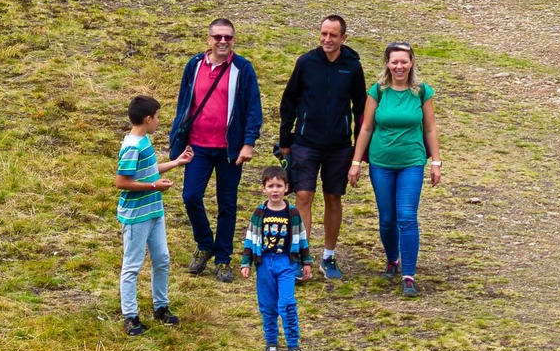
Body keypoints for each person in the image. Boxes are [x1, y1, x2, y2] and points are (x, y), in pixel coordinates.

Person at [169, 19, 262, 283]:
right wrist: (178, 137)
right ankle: (204, 243)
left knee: (227, 204)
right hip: (197, 146)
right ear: (208, 39)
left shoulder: (242, 69)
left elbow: (253, 108)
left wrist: (248, 142)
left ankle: (222, 259)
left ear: (234, 40)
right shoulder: (194, 65)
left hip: (229, 150)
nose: (223, 41)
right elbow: (183, 104)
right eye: (218, 36)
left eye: (228, 37)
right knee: (190, 197)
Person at [348, 42, 442, 297]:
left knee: (407, 217)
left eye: (404, 61)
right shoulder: (378, 91)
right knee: (388, 218)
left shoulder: (422, 92)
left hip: (412, 162)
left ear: (411, 63)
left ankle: (408, 274)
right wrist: (356, 163)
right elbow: (366, 128)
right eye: (394, 62)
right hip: (381, 163)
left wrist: (436, 161)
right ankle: (393, 259)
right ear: (387, 64)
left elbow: (430, 128)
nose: (399, 66)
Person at [278, 15, 366, 282]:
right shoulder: (306, 62)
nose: (327, 40)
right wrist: (285, 140)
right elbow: (289, 99)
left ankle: (328, 256)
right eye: (324, 34)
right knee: (303, 196)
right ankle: (301, 258)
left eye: (333, 35)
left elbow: (360, 107)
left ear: (343, 38)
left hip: (339, 146)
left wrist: (359, 152)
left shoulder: (352, 66)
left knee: (333, 198)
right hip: (305, 142)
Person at [115, 95, 185, 336]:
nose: (159, 122)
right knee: (132, 266)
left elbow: (149, 171)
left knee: (162, 258)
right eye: (157, 117)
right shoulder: (132, 147)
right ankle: (130, 316)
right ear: (147, 119)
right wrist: (155, 187)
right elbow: (122, 182)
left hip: (154, 210)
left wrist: (176, 162)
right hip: (136, 216)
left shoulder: (143, 141)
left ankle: (160, 307)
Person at [240, 166, 307, 351]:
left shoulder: (292, 212)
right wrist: (246, 262)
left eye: (279, 186)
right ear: (264, 188)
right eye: (271, 186)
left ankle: (293, 344)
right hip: (264, 263)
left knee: (286, 303)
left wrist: (306, 262)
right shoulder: (259, 213)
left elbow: (301, 238)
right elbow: (250, 238)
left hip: (287, 262)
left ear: (286, 188)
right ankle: (271, 342)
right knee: (267, 306)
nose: (275, 190)